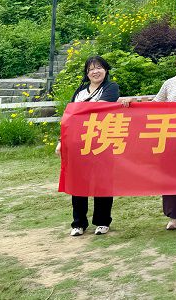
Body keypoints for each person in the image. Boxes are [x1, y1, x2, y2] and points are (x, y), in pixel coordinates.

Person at [120, 47, 176, 230]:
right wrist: (133, 104)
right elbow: (155, 105)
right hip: (170, 137)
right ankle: (173, 215)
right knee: (170, 175)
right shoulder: (169, 83)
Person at [56, 56, 120, 237]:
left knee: (102, 181)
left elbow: (100, 108)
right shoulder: (80, 91)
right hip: (78, 143)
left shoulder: (111, 87)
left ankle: (102, 221)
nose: (95, 71)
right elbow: (68, 117)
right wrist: (61, 141)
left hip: (102, 141)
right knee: (78, 182)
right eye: (91, 69)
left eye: (99, 67)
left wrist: (80, 110)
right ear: (86, 73)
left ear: (105, 70)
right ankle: (78, 223)